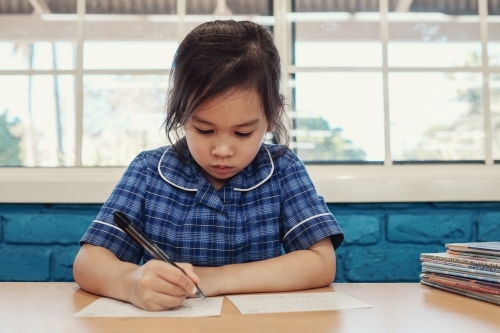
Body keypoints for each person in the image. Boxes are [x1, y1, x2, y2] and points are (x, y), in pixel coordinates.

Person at [73, 20, 344, 311]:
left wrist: (214, 279)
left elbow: (321, 262)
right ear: (179, 113)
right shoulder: (148, 171)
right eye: (204, 130)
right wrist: (132, 281)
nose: (222, 151)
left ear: (273, 116)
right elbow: (89, 262)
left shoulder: (282, 169)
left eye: (243, 133)